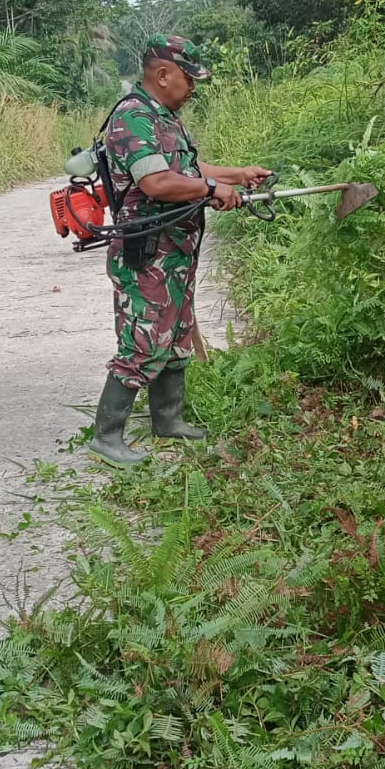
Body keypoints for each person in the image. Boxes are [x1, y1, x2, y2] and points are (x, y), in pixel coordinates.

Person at [89, 34, 270, 464]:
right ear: (163, 74)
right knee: (144, 339)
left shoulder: (167, 118)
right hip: (147, 253)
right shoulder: (132, 118)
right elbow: (157, 182)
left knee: (176, 333)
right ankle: (106, 437)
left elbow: (186, 168)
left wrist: (236, 174)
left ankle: (167, 422)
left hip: (175, 251)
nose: (193, 89)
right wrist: (211, 190)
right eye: (190, 80)